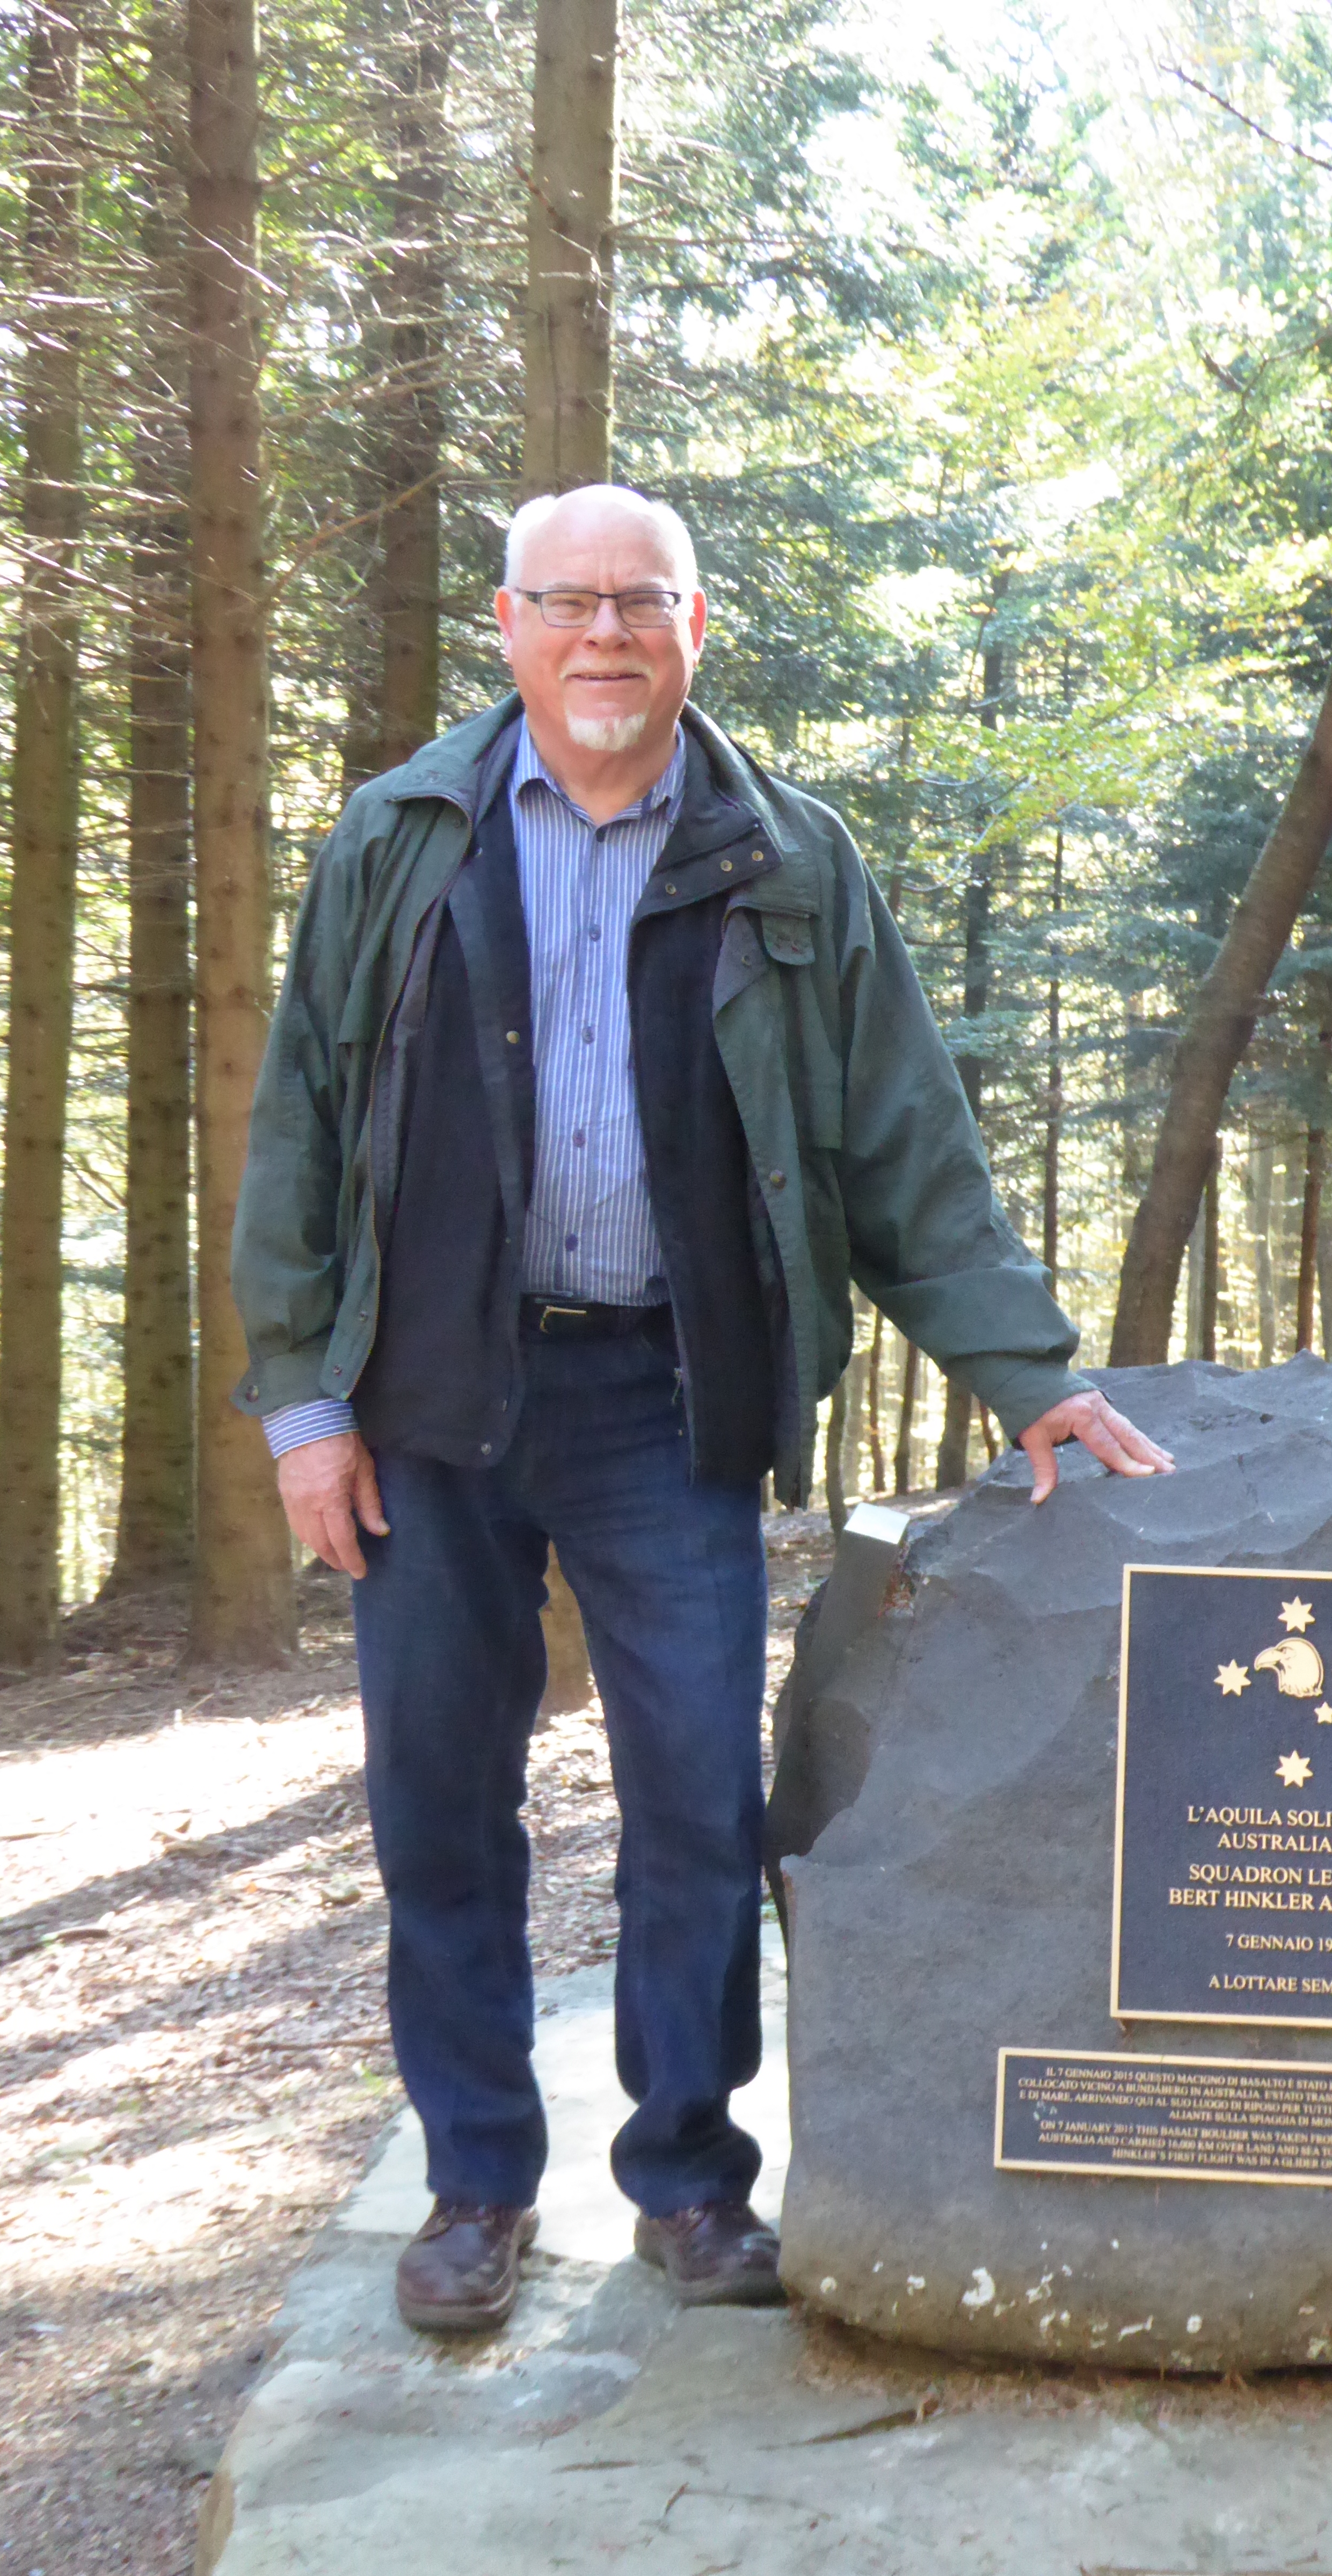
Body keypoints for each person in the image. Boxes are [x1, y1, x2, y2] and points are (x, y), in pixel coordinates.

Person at [230, 483, 1171, 2334]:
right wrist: (298, 1405)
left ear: (694, 627)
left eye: (638, 604)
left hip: (670, 1395)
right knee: (439, 1798)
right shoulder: (397, 841)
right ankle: (477, 2184)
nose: (601, 636)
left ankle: (687, 2177)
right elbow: (303, 1133)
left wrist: (1026, 1375)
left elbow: (908, 1143)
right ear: (505, 627)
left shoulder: (790, 858)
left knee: (693, 1802)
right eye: (565, 602)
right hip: (427, 1397)